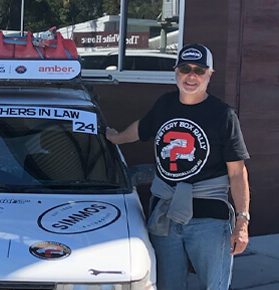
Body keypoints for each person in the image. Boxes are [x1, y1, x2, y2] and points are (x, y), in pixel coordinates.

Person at [106, 43, 250, 289]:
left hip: (210, 220)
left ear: (209, 74)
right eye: (185, 69)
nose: (191, 75)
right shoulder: (165, 105)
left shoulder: (223, 115)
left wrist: (242, 221)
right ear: (176, 72)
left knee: (214, 286)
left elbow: (237, 172)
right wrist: (115, 138)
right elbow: (141, 129)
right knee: (167, 285)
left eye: (199, 70)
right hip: (166, 214)